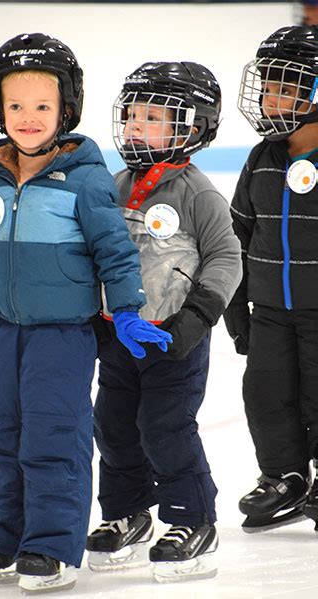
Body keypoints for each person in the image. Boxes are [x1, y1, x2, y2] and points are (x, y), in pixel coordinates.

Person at [0, 33, 172, 594]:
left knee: (53, 436)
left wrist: (126, 311)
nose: (28, 118)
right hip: (4, 333)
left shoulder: (84, 179)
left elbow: (115, 253)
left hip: (62, 334)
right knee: (2, 435)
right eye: (15, 106)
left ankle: (51, 546)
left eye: (42, 106)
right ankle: (7, 535)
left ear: (66, 109)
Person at [86, 62, 242, 583]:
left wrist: (196, 318)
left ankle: (191, 518)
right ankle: (128, 512)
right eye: (131, 115)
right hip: (118, 336)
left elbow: (226, 257)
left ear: (191, 126)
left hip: (174, 340)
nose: (135, 126)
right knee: (112, 426)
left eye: (152, 117)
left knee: (165, 428)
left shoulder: (197, 193)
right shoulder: (115, 185)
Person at [224, 24, 318, 534]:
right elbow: (237, 233)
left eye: (285, 86)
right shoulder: (262, 159)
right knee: (265, 394)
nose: (268, 98)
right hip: (269, 313)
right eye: (267, 85)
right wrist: (236, 306)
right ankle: (284, 476)